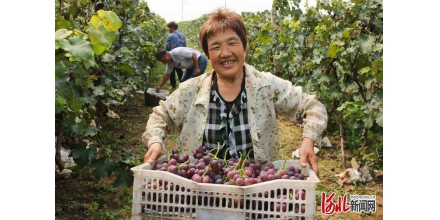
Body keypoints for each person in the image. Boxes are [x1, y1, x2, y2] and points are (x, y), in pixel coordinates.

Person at [143, 8, 327, 176]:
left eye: (232, 43)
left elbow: (313, 107)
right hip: (200, 189)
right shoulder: (191, 90)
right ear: (207, 54)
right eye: (216, 47)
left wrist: (308, 140)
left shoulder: (266, 86)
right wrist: (155, 141)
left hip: (254, 190)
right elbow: (160, 115)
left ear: (245, 48)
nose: (225, 53)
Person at [165, 21, 186, 90]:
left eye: (169, 28)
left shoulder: (170, 36)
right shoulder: (182, 35)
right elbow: (184, 46)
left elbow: (167, 47)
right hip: (181, 55)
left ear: (172, 28)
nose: (168, 29)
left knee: (171, 70)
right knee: (179, 69)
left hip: (172, 56)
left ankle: (173, 85)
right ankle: (183, 84)